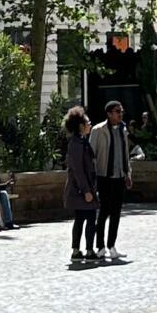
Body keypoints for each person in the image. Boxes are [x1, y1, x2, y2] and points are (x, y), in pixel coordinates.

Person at [95, 100, 135, 262]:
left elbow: (125, 154)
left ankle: (112, 245)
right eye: (117, 111)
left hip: (119, 176)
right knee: (104, 211)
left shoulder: (123, 130)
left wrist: (128, 173)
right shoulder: (98, 130)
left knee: (116, 213)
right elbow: (92, 155)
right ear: (109, 114)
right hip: (104, 176)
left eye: (121, 111)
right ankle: (100, 246)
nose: (120, 114)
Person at [62, 105, 101, 268]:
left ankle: (77, 249)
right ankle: (88, 250)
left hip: (82, 188)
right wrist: (86, 190)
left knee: (80, 219)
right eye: (87, 123)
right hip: (81, 190)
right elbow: (78, 169)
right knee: (89, 218)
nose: (90, 125)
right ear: (80, 126)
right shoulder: (77, 144)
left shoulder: (81, 142)